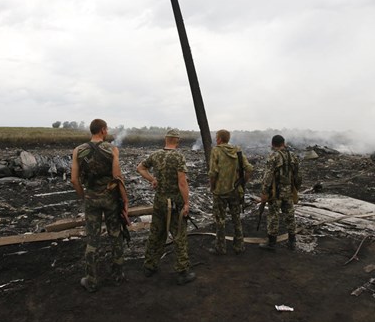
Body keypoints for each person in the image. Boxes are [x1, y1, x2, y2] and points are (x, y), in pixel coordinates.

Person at [71, 119, 128, 293]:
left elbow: (74, 179)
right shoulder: (112, 149)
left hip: (91, 198)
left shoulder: (78, 151)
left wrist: (85, 196)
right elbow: (117, 177)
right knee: (115, 234)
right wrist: (125, 202)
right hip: (110, 199)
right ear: (103, 130)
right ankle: (118, 275)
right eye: (107, 129)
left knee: (93, 238)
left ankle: (91, 280)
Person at [137, 128, 196, 285]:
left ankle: (149, 266)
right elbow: (182, 182)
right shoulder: (178, 157)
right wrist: (186, 203)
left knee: (156, 233)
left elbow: (140, 168)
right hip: (174, 203)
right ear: (177, 140)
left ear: (166, 139)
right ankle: (182, 271)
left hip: (159, 202)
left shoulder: (156, 155)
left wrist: (152, 179)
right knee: (179, 235)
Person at [208, 129, 253, 255]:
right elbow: (249, 168)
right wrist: (243, 182)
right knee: (236, 218)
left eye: (216, 137)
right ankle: (239, 246)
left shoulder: (216, 150)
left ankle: (220, 247)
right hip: (235, 191)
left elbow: (213, 173)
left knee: (220, 220)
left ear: (219, 139)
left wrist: (212, 187)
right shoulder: (237, 151)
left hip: (220, 191)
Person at [259, 134, 300, 251]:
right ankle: (292, 242)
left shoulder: (273, 156)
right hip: (288, 191)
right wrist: (296, 188)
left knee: (273, 215)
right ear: (284, 143)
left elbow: (268, 176)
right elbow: (298, 175)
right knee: (290, 215)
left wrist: (264, 192)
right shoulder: (292, 156)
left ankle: (272, 243)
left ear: (272, 144)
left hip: (275, 192)